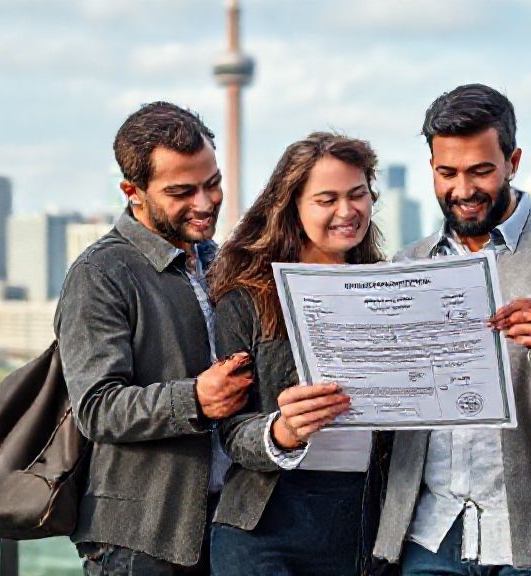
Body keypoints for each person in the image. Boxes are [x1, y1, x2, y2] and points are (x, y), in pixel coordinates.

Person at [374, 83, 531, 575]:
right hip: (428, 534)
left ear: (512, 160)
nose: (463, 190)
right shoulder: (408, 263)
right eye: (447, 173)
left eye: (481, 170)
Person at [56, 101, 252, 575]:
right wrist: (197, 399)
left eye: (212, 183)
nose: (205, 203)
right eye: (182, 191)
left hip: (229, 526)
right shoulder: (100, 274)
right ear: (133, 191)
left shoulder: (219, 261)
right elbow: (97, 408)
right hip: (141, 541)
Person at [207, 132, 390, 576]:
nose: (347, 212)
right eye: (326, 199)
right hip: (263, 527)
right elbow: (230, 431)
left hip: (363, 527)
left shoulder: (391, 289)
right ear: (292, 206)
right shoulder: (248, 298)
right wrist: (282, 431)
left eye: (357, 195)